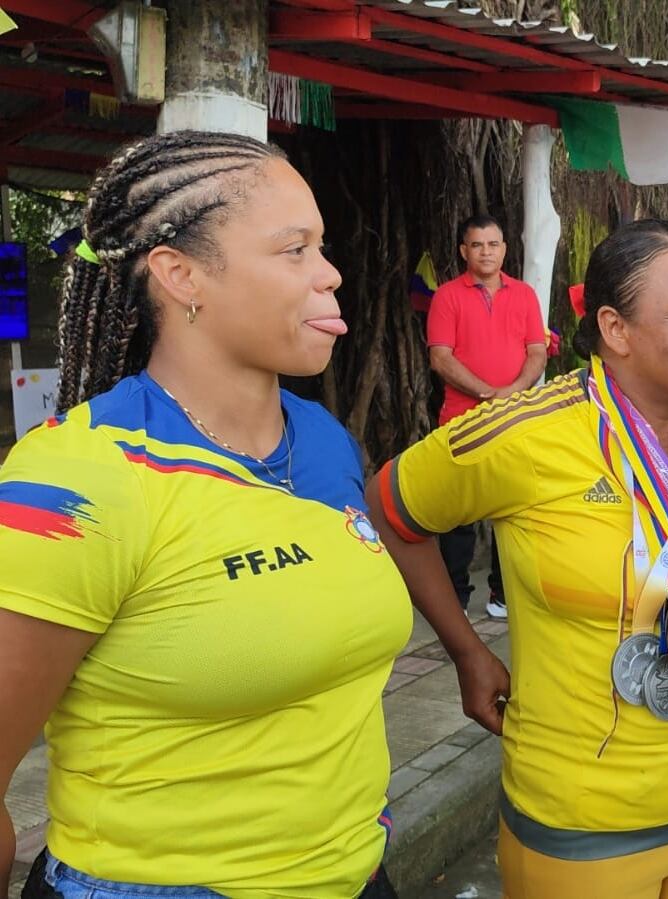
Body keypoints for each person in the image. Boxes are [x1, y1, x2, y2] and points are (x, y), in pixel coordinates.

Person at [0, 131, 412, 898]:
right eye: (294, 251)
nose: (330, 274)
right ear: (180, 273)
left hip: (356, 873)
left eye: (321, 247)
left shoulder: (321, 440)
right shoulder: (75, 482)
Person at [366, 220, 668, 898]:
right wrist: (468, 652)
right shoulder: (524, 435)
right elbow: (390, 508)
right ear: (616, 330)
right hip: (582, 817)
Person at [426, 214, 547, 619]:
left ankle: (501, 593)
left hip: (513, 418)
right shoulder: (447, 296)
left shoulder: (525, 295)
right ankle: (456, 598)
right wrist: (484, 391)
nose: (485, 252)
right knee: (459, 514)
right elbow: (440, 357)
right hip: (461, 419)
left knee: (510, 508)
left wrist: (510, 394)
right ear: (464, 251)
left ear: (504, 249)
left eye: (492, 244)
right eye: (476, 245)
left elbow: (537, 351)